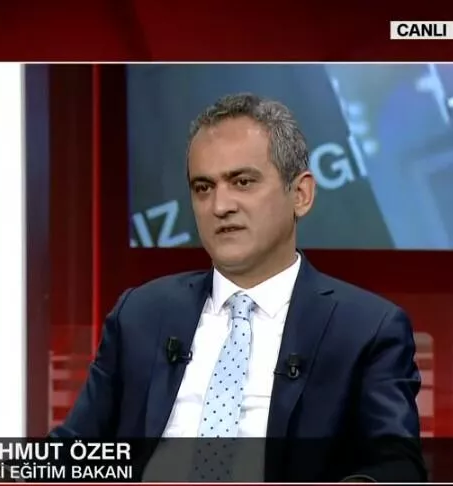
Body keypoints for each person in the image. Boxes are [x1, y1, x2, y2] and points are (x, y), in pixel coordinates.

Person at [50, 93, 426, 482]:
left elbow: (398, 468)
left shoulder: (366, 329)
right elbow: (71, 451)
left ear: (300, 195)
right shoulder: (141, 314)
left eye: (242, 182)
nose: (220, 206)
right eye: (203, 187)